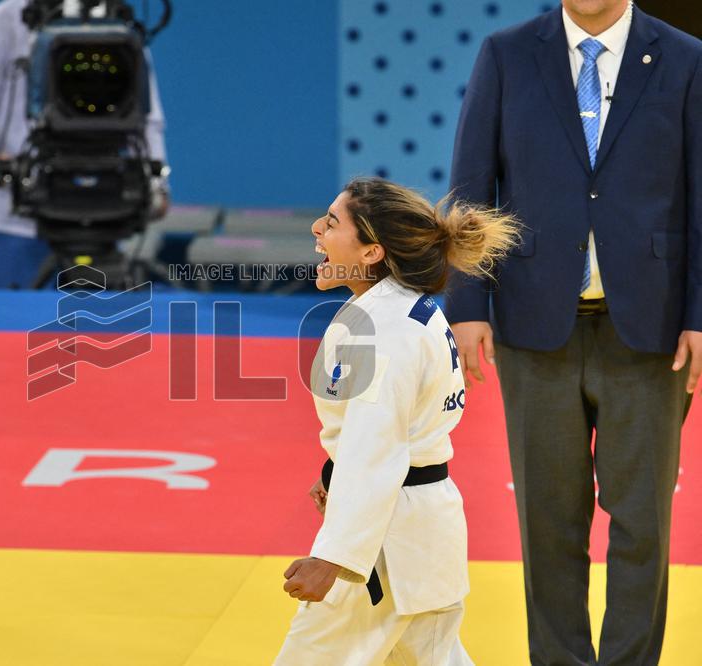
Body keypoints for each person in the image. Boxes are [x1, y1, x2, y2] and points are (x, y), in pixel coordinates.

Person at [446, 1, 701, 663]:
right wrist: (467, 302)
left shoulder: (685, 58)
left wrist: (701, 314)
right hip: (534, 326)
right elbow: (472, 186)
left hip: (651, 327)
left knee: (643, 524)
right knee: (548, 524)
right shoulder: (505, 53)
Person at [274, 177, 519, 665]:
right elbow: (384, 436)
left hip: (383, 553)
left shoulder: (383, 331)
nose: (316, 229)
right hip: (420, 537)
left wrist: (334, 557)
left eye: (332, 222)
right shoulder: (401, 310)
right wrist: (335, 473)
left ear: (371, 253)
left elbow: (376, 450)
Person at [0, 0, 169, 289]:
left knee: (96, 331)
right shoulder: (0, 23)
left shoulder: (120, 27)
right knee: (5, 331)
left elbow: (146, 118)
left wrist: (157, 183)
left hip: (100, 212)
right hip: (14, 221)